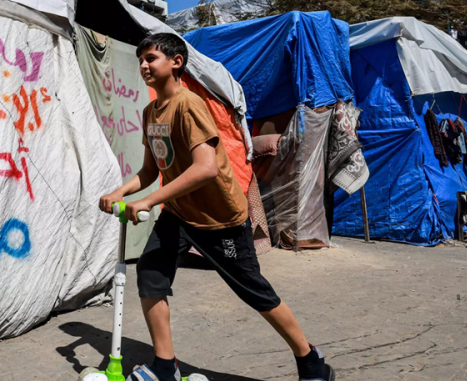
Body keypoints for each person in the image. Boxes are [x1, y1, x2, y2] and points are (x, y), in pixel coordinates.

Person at [98, 33, 335, 381]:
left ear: (176, 62)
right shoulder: (151, 112)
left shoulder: (189, 104)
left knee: (253, 290)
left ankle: (310, 358)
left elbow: (206, 167)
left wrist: (148, 200)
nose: (144, 65)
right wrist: (119, 192)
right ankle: (166, 366)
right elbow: (152, 169)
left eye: (151, 58)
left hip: (220, 219)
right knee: (150, 274)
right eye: (141, 60)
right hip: (179, 213)